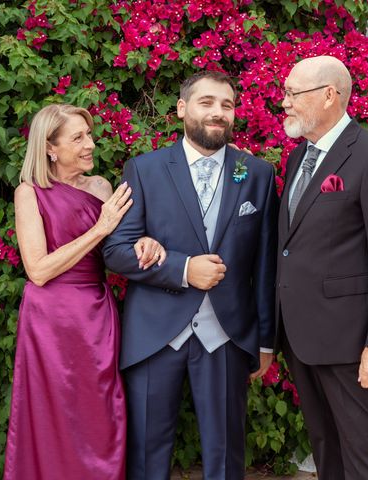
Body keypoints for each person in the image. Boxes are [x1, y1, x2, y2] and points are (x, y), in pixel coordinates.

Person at [103, 70, 279, 480]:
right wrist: (183, 269)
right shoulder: (144, 170)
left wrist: (266, 340)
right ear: (182, 108)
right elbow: (116, 251)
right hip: (155, 336)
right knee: (147, 454)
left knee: (225, 455)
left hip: (226, 335)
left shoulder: (257, 174)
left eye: (227, 105)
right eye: (207, 102)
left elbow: (266, 264)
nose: (218, 113)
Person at [3, 104, 165, 479]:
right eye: (78, 137)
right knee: (51, 412)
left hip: (96, 314)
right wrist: (101, 226)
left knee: (101, 411)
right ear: (50, 148)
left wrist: (145, 242)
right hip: (49, 319)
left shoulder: (100, 187)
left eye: (89, 135)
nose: (90, 144)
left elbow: (115, 250)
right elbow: (38, 270)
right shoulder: (29, 193)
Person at [276, 56, 368, 480]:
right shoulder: (299, 158)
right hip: (303, 337)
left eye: (293, 94)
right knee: (326, 447)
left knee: (364, 454)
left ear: (329, 95)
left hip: (352, 343)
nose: (284, 104)